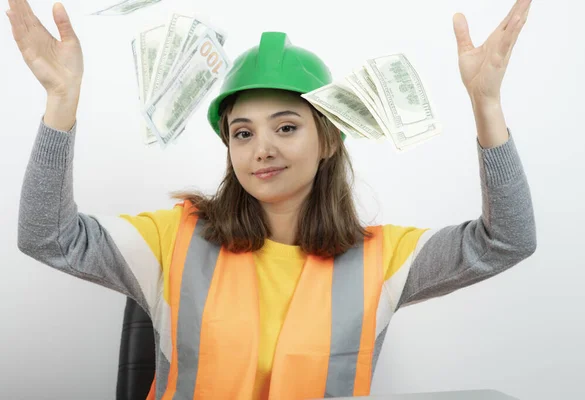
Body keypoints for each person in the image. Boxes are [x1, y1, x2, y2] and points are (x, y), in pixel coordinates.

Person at [8, 0, 536, 398]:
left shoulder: (383, 258)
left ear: (328, 138)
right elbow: (47, 237)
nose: (261, 149)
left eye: (286, 127)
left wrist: (485, 103)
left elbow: (505, 241)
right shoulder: (174, 238)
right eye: (242, 133)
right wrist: (60, 102)